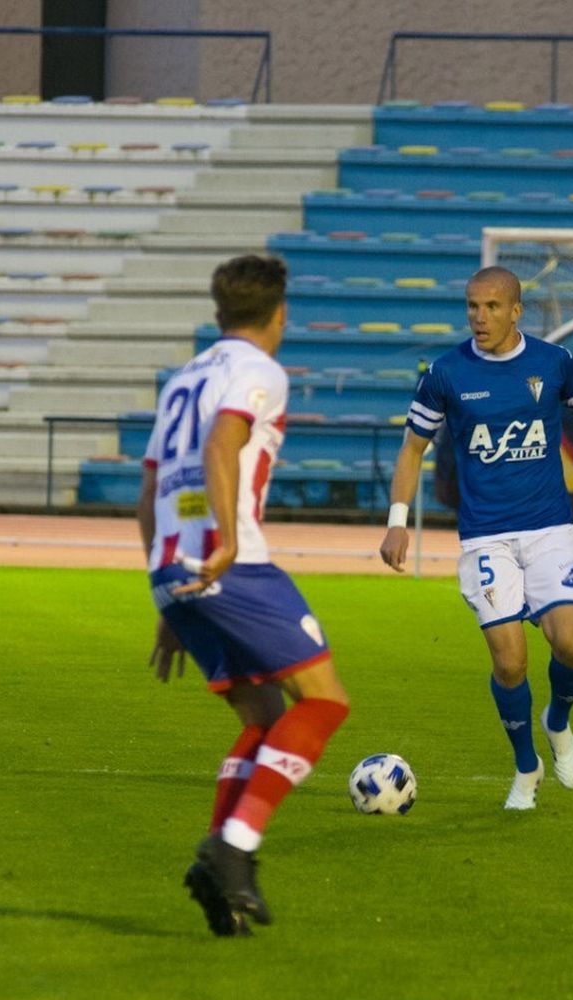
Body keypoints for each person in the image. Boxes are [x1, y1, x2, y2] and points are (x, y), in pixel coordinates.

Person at [138, 254, 349, 936]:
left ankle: (217, 863)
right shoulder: (260, 370)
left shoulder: (182, 378)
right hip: (231, 562)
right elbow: (223, 442)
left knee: (260, 715)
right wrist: (226, 542)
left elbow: (150, 489)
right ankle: (234, 848)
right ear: (279, 314)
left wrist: (169, 600)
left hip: (173, 569)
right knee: (323, 701)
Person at [378, 266, 573, 810]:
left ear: (516, 311)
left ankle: (557, 722)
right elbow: (412, 448)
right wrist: (397, 519)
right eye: (472, 306)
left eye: (491, 307)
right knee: (510, 662)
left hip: (549, 530)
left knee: (572, 643)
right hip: (486, 537)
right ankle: (525, 767)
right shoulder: (446, 373)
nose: (479, 317)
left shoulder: (553, 362)